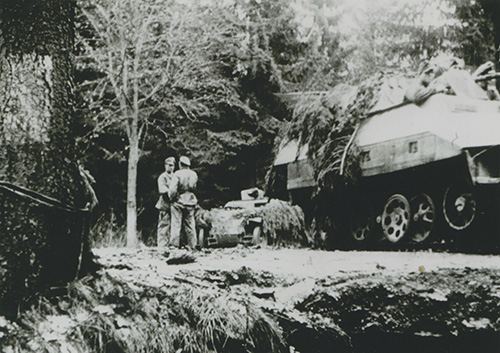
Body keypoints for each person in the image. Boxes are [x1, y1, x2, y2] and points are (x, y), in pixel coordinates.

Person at [168, 155, 198, 249]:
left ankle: (174, 245)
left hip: (179, 201)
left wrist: (172, 198)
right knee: (190, 224)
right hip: (191, 201)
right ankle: (193, 245)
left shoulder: (177, 174)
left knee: (176, 224)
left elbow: (172, 190)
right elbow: (194, 187)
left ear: (180, 164)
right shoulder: (194, 174)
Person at [156, 156, 176, 248]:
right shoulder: (162, 177)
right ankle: (162, 247)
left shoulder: (176, 176)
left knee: (174, 227)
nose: (170, 167)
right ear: (165, 166)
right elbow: (162, 189)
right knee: (164, 226)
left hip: (174, 205)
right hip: (165, 205)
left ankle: (171, 246)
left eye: (172, 165)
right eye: (169, 165)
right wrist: (170, 192)